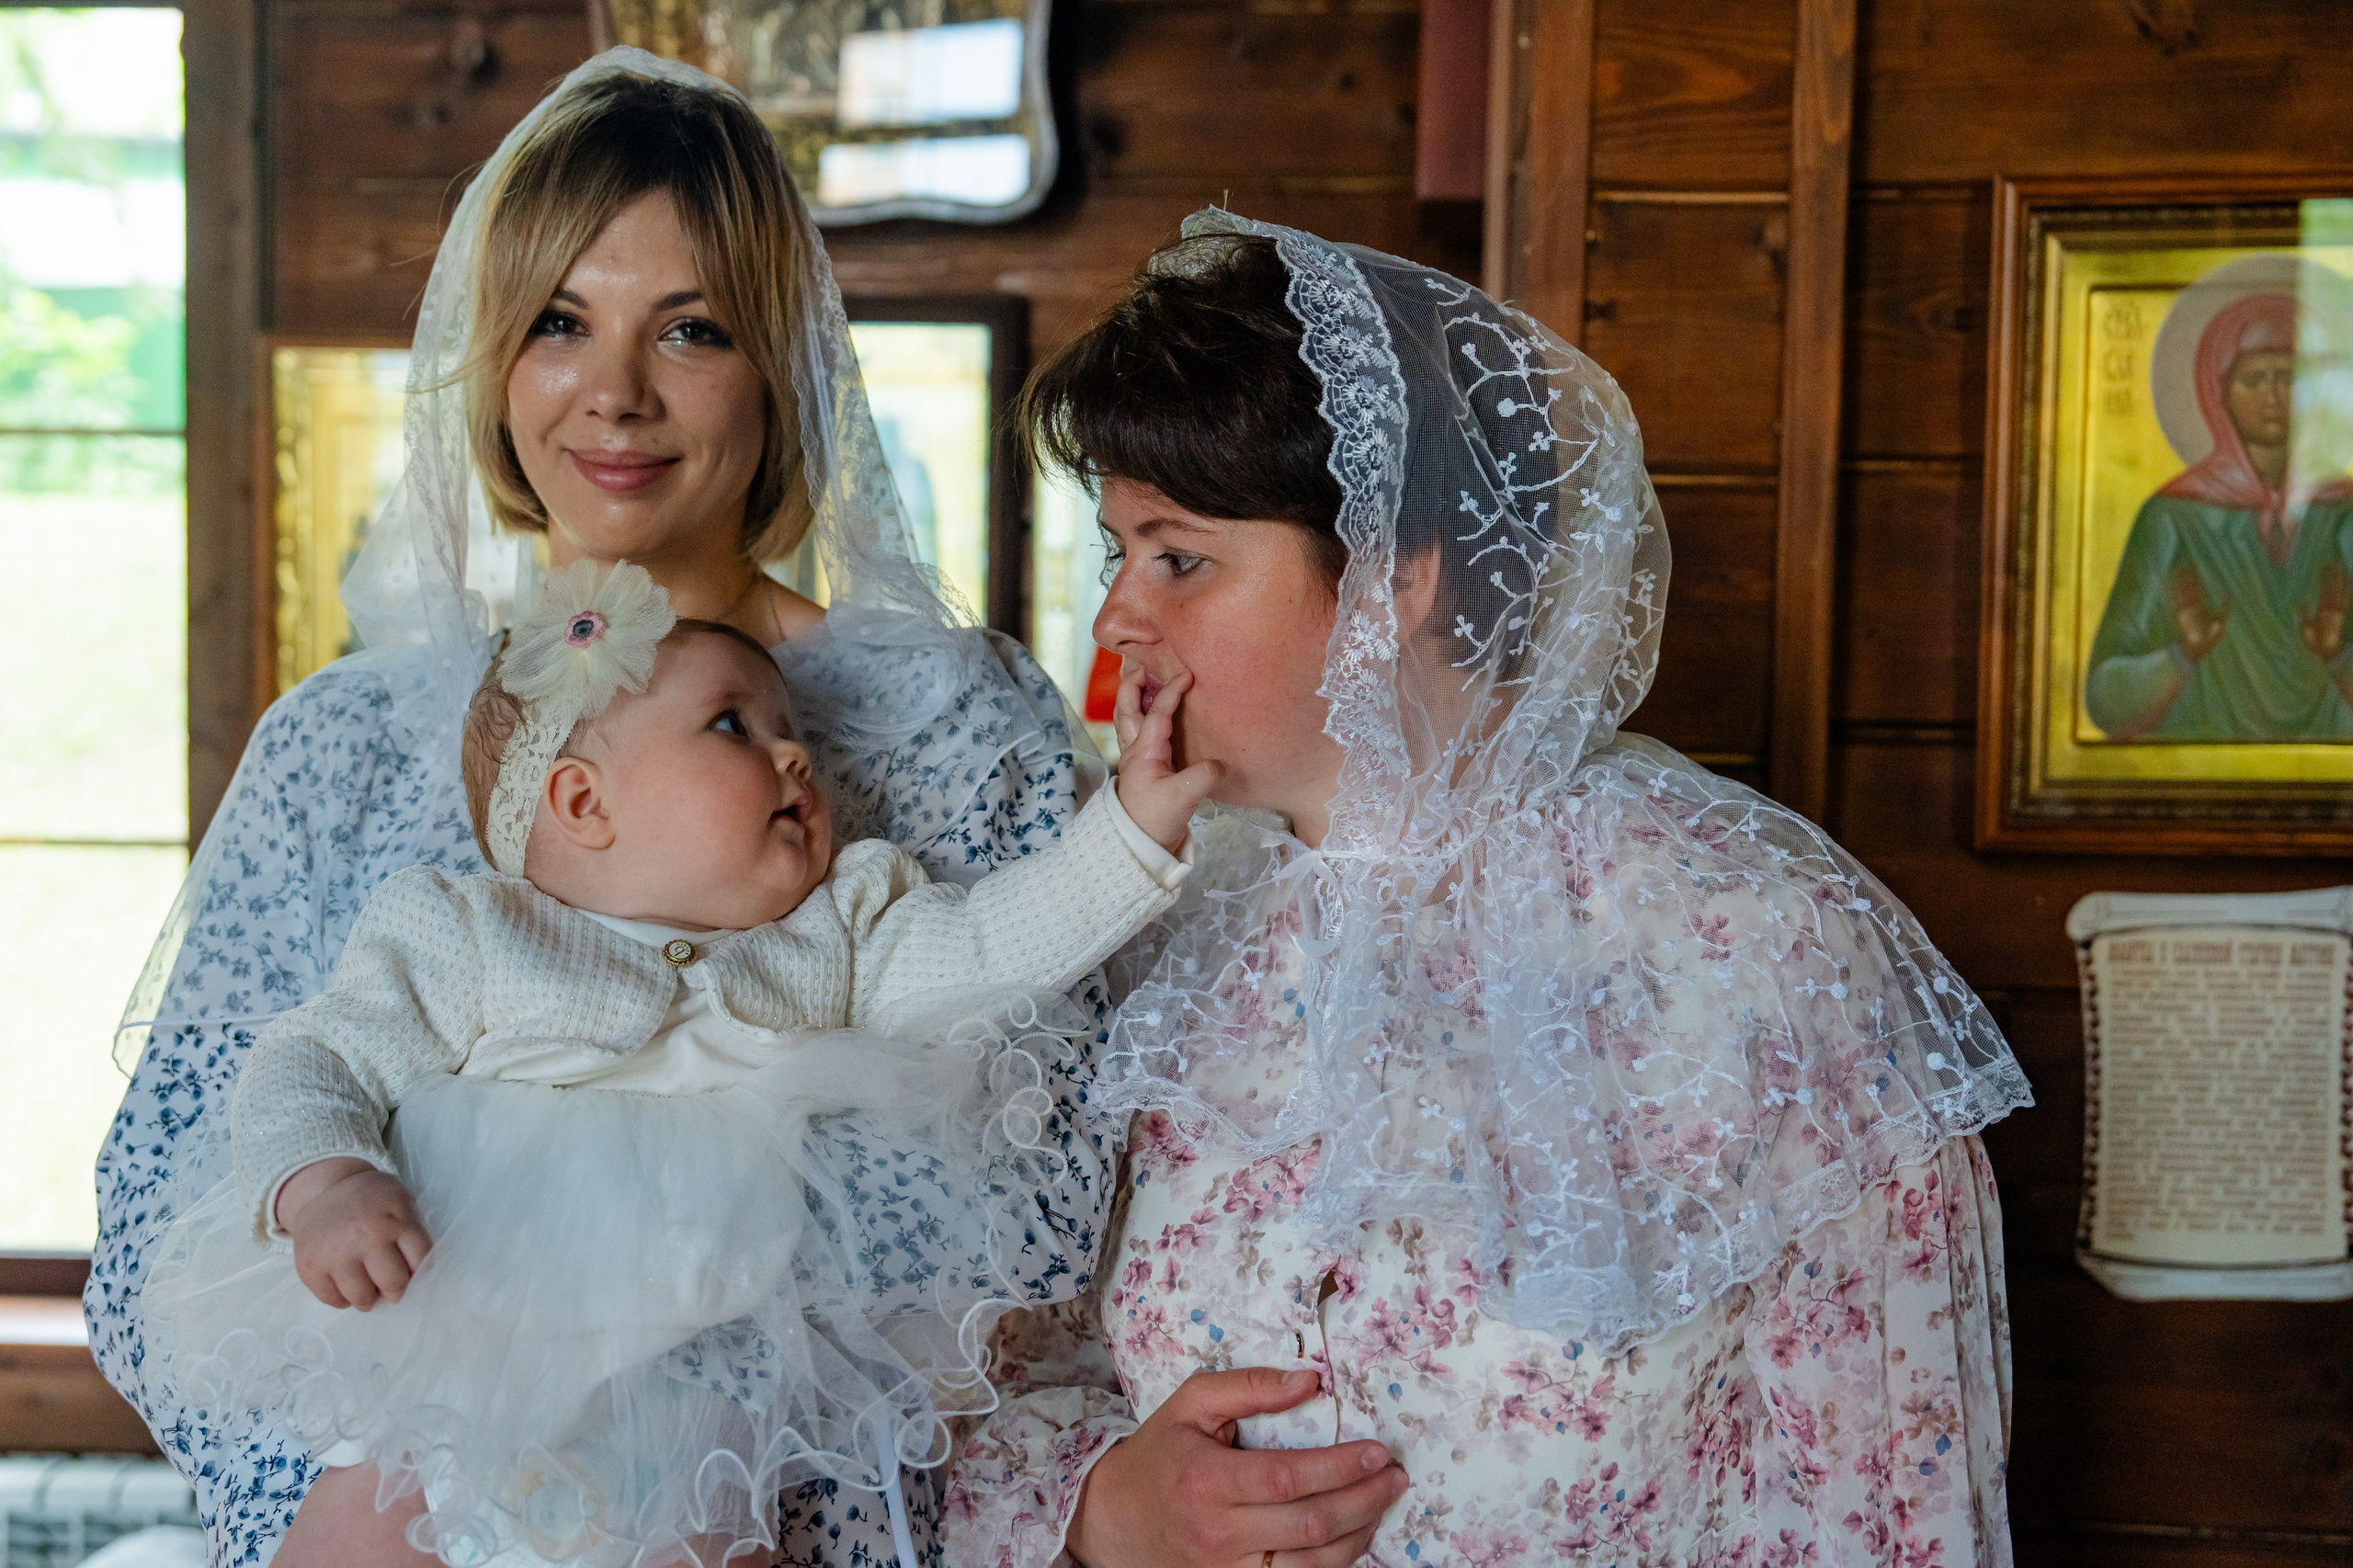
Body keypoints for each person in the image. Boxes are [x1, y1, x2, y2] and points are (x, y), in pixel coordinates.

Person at [88, 50, 1110, 1568]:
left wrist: (678, 1470)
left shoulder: (946, 720)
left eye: (690, 328)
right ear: (495, 358)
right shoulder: (340, 745)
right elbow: (168, 1184)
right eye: (559, 322)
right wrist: (411, 1496)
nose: (614, 392)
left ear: (781, 364)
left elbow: (1047, 1195)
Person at [944, 214, 2033, 1568]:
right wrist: (1104, 1506)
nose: (1117, 616)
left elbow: (1894, 1516)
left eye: (1179, 556)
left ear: (1394, 577)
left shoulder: (1764, 943)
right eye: (1117, 553)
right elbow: (970, 1375)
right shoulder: (1148, 924)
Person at [142, 574, 1216, 1568]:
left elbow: (989, 947)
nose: (793, 756)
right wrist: (326, 1181)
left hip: (690, 1414)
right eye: (732, 725)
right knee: (367, 1523)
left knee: (713, 1530)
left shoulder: (837, 932)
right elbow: (314, 1054)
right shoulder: (468, 935)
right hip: (453, 1370)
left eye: (791, 730)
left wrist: (1130, 828)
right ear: (582, 803)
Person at [2085, 290, 2353, 741]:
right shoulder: (2173, 518)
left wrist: (2338, 655)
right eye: (2254, 379)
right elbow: (2105, 697)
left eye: (2289, 377)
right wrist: (2183, 655)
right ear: (2219, 393)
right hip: (2199, 759)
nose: (2273, 395)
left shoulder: (2343, 513)